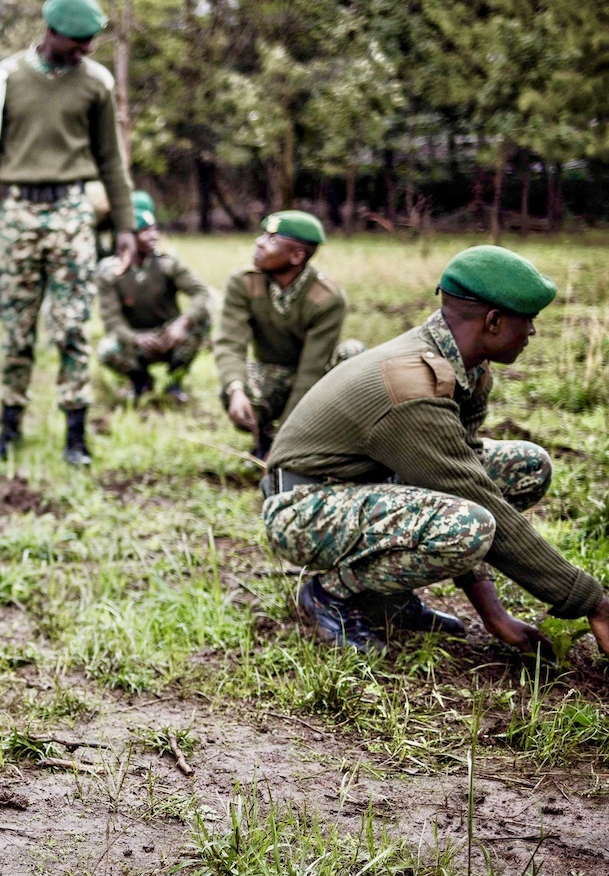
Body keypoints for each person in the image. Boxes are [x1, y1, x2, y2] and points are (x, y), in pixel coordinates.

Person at [262, 245, 609, 657]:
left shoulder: (469, 368)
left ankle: (388, 594)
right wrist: (593, 602)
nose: (532, 333)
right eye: (528, 321)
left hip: (366, 486)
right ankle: (330, 594)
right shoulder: (411, 382)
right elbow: (473, 501)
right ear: (494, 322)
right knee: (467, 524)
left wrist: (493, 615)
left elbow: (469, 476)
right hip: (303, 508)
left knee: (526, 467)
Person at [0, 0, 137, 466]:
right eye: (78, 42)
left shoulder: (95, 83)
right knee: (16, 327)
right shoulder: (4, 79)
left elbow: (111, 161)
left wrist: (126, 225)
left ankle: (75, 439)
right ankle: (8, 432)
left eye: (91, 44)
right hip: (18, 213)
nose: (85, 51)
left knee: (73, 327)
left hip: (72, 214)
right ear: (51, 32)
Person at [213, 210, 363, 460]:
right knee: (233, 384)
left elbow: (310, 373)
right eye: (263, 235)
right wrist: (236, 389)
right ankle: (262, 439)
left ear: (297, 256)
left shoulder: (326, 299)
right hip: (272, 372)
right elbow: (230, 342)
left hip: (316, 379)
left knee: (352, 354)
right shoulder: (244, 283)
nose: (259, 242)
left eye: (271, 239)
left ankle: (331, 444)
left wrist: (287, 438)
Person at [94, 193, 212, 402]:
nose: (153, 236)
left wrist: (181, 324)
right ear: (128, 237)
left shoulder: (167, 263)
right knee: (106, 349)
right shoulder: (110, 272)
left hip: (169, 334)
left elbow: (201, 293)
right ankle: (141, 381)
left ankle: (175, 383)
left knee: (202, 320)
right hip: (135, 339)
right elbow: (111, 320)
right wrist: (134, 338)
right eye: (145, 231)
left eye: (155, 229)